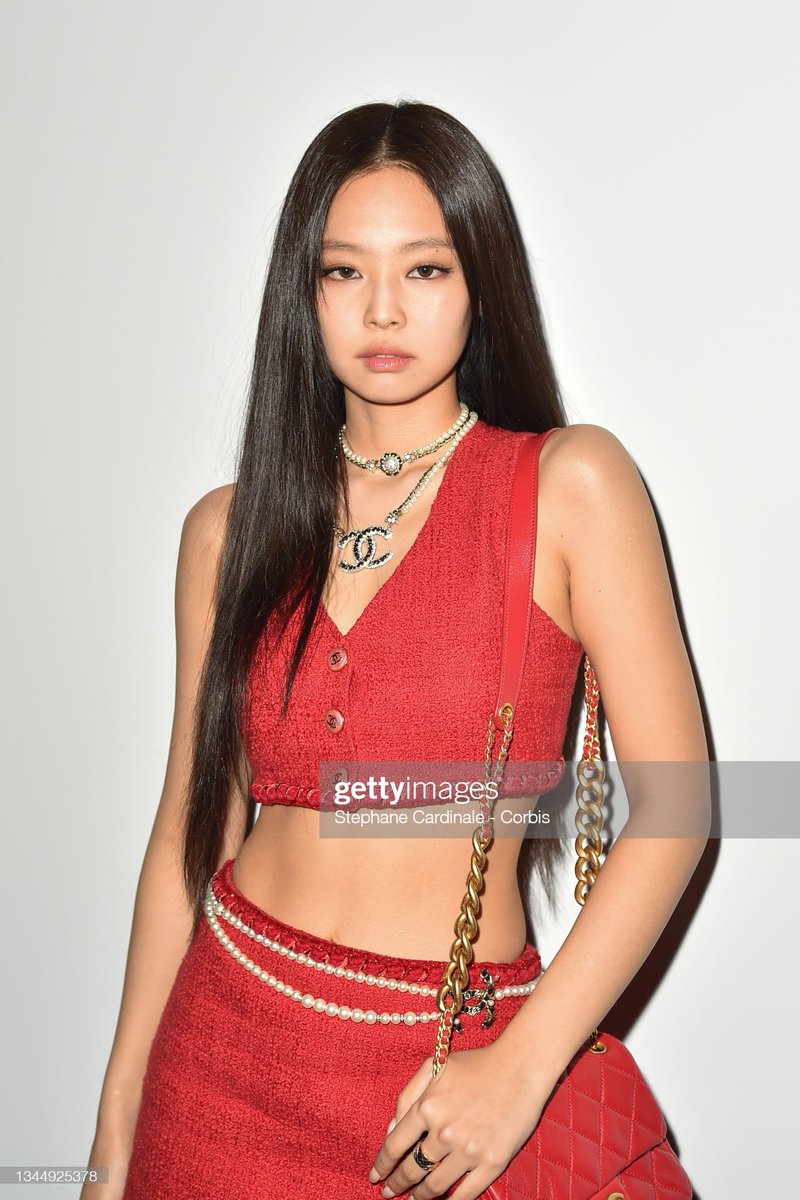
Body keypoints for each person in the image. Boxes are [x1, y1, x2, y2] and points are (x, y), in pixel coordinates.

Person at [82, 100, 711, 1200]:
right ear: (304, 293)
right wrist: (115, 1131)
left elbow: (681, 804)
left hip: (448, 1090)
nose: (382, 307)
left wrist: (521, 1070)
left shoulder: (568, 485)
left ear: (480, 284)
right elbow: (188, 831)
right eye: (343, 271)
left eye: (424, 269)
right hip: (217, 1062)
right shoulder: (225, 533)